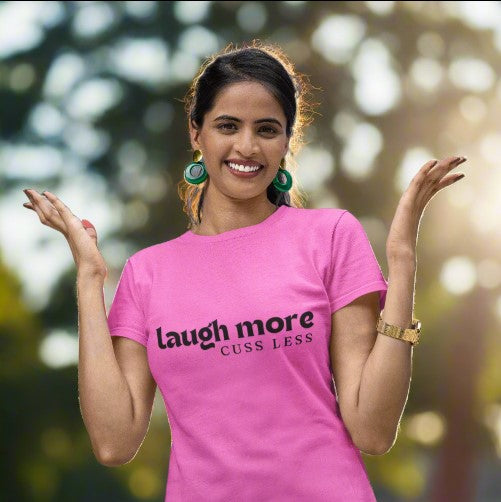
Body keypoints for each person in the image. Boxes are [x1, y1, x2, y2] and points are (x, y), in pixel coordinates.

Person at [22, 40, 468, 501]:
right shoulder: (146, 274)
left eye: (267, 129)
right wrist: (90, 280)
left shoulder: (330, 236)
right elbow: (115, 442)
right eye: (227, 126)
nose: (247, 146)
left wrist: (402, 261)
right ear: (196, 132)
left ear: (287, 139)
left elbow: (373, 432)